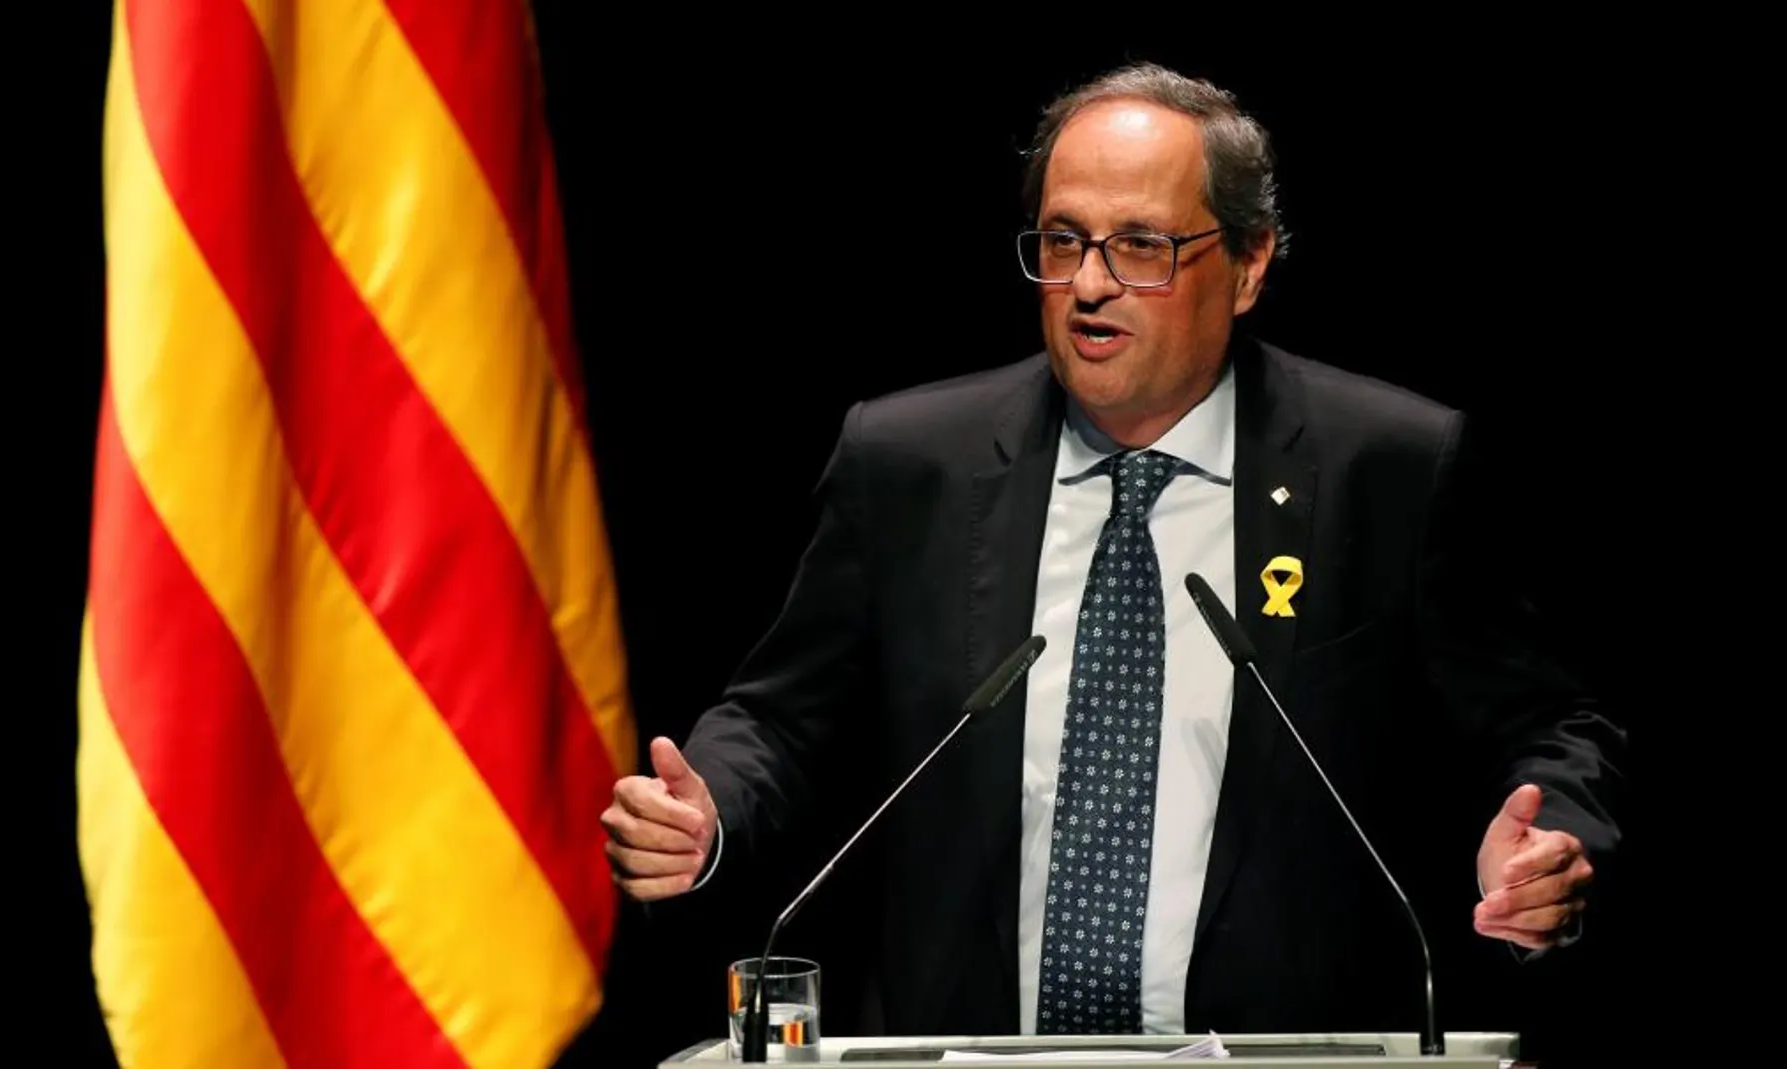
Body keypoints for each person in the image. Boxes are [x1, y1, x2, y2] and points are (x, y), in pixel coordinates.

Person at [599, 61, 1623, 1039]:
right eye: (1061, 241)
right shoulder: (909, 462)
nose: (1088, 284)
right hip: (965, 1047)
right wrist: (710, 809)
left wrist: (1543, 841)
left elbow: (1546, 722)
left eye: (1141, 246)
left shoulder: (1385, 467)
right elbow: (782, 715)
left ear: (1250, 261)